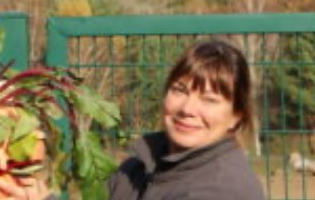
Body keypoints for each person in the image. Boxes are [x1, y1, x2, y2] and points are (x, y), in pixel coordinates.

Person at [108, 39, 265, 200]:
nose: (187, 109)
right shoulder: (135, 168)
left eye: (209, 99)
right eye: (179, 90)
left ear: (236, 116)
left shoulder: (223, 189)